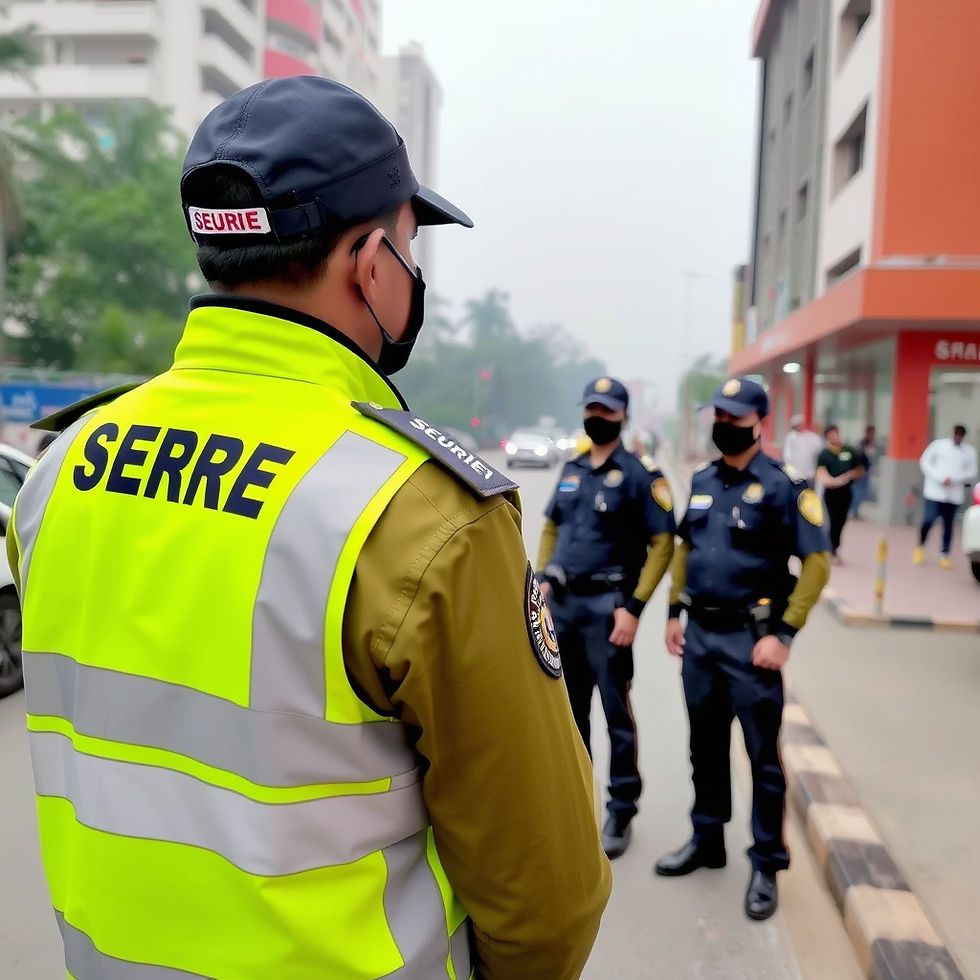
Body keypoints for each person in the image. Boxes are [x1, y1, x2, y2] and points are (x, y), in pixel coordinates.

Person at [8, 77, 610, 980]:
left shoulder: (58, 471)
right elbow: (546, 897)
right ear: (368, 263)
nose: (412, 274)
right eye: (410, 244)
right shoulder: (419, 512)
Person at [655, 377, 830, 922]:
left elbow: (816, 564)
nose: (724, 425)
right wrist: (674, 611)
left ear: (760, 423)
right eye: (719, 416)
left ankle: (766, 863)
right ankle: (707, 840)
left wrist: (785, 634)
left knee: (761, 758)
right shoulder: (703, 478)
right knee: (703, 747)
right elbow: (685, 547)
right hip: (701, 638)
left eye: (734, 418)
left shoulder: (784, 485)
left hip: (753, 642)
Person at [536, 377, 676, 859]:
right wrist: (544, 577)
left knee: (616, 713)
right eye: (592, 409)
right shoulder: (572, 468)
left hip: (609, 609)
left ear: (623, 417)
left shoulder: (640, 475)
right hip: (564, 608)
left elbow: (663, 544)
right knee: (569, 714)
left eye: (607, 411)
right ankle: (577, 802)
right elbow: (552, 526)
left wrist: (634, 608)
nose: (598, 417)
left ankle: (621, 808)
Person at [915, 424, 979, 568]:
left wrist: (954, 479)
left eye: (960, 436)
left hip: (954, 493)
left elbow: (972, 471)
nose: (957, 438)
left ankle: (944, 554)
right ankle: (920, 545)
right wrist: (939, 478)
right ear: (952, 433)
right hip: (934, 492)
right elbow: (925, 461)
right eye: (956, 435)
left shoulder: (969, 451)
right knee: (928, 520)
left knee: (948, 525)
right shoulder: (938, 445)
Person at [816, 425, 866, 565]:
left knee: (841, 520)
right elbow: (821, 472)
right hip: (831, 493)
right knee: (833, 519)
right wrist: (832, 481)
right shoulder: (824, 454)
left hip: (846, 491)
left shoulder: (849, 451)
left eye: (835, 433)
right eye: (830, 434)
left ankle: (834, 547)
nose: (834, 436)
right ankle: (831, 549)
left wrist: (848, 476)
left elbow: (859, 470)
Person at [781, 414, 823, 485]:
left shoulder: (811, 436)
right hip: (795, 474)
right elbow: (787, 456)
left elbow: (818, 450)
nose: (801, 426)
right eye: (798, 425)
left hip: (809, 474)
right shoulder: (791, 437)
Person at [849, 424, 877, 518]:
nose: (872, 435)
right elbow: (858, 458)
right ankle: (852, 511)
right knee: (857, 493)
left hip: (867, 472)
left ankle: (855, 511)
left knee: (865, 493)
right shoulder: (861, 444)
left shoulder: (872, 444)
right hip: (860, 472)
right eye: (871, 432)